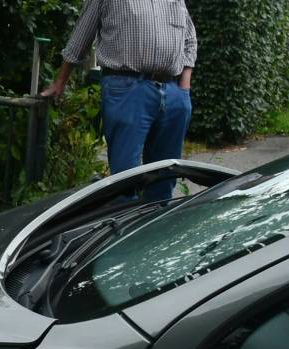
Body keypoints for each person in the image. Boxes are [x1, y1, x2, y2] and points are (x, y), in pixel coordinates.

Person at [43, 0, 197, 201]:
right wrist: (61, 81)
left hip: (173, 91)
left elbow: (189, 37)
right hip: (128, 88)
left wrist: (184, 88)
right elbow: (81, 34)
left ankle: (158, 218)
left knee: (165, 178)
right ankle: (125, 221)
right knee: (125, 180)